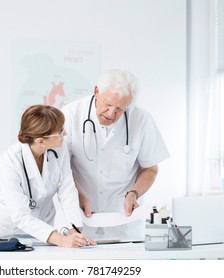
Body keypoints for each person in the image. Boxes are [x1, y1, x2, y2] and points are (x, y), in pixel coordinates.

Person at [62, 69, 170, 239]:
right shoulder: (70, 114)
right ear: (96, 91)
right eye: (108, 104)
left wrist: (134, 193)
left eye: (120, 109)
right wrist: (79, 194)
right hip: (79, 216)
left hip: (123, 220)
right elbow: (60, 168)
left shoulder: (141, 120)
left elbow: (150, 169)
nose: (111, 113)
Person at [0, 105, 96, 247]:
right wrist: (60, 239)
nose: (66, 134)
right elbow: (20, 215)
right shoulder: (10, 160)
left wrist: (75, 230)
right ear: (41, 141)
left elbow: (67, 191)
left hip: (38, 236)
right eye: (61, 131)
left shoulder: (59, 150)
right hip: (1, 235)